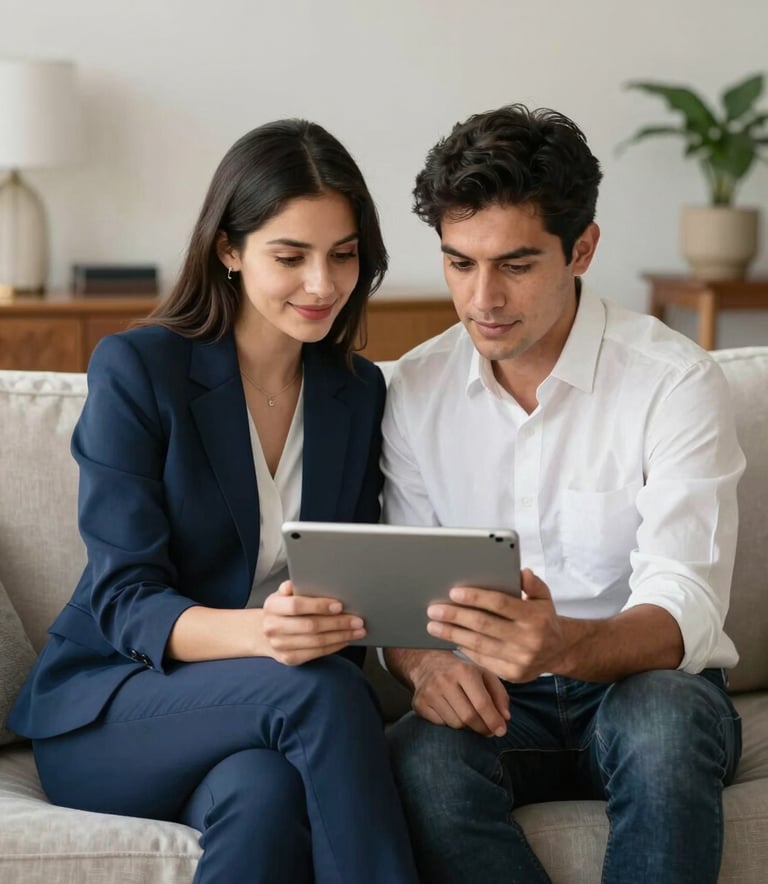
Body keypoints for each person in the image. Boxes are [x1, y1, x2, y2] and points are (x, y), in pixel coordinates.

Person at [8, 119, 419, 884]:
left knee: (261, 799)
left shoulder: (357, 393)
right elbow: (126, 602)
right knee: (324, 692)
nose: (323, 284)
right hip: (114, 708)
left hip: (261, 714)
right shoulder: (140, 369)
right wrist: (270, 633)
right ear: (229, 250)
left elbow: (355, 577)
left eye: (344, 254)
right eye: (290, 256)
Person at [381, 104, 745, 884]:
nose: (482, 299)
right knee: (416, 757)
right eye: (459, 263)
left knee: (665, 724)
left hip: (645, 686)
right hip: (497, 697)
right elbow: (401, 596)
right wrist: (423, 668)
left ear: (582, 248)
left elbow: (687, 601)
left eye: (515, 264)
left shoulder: (674, 381)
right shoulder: (413, 389)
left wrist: (566, 645)